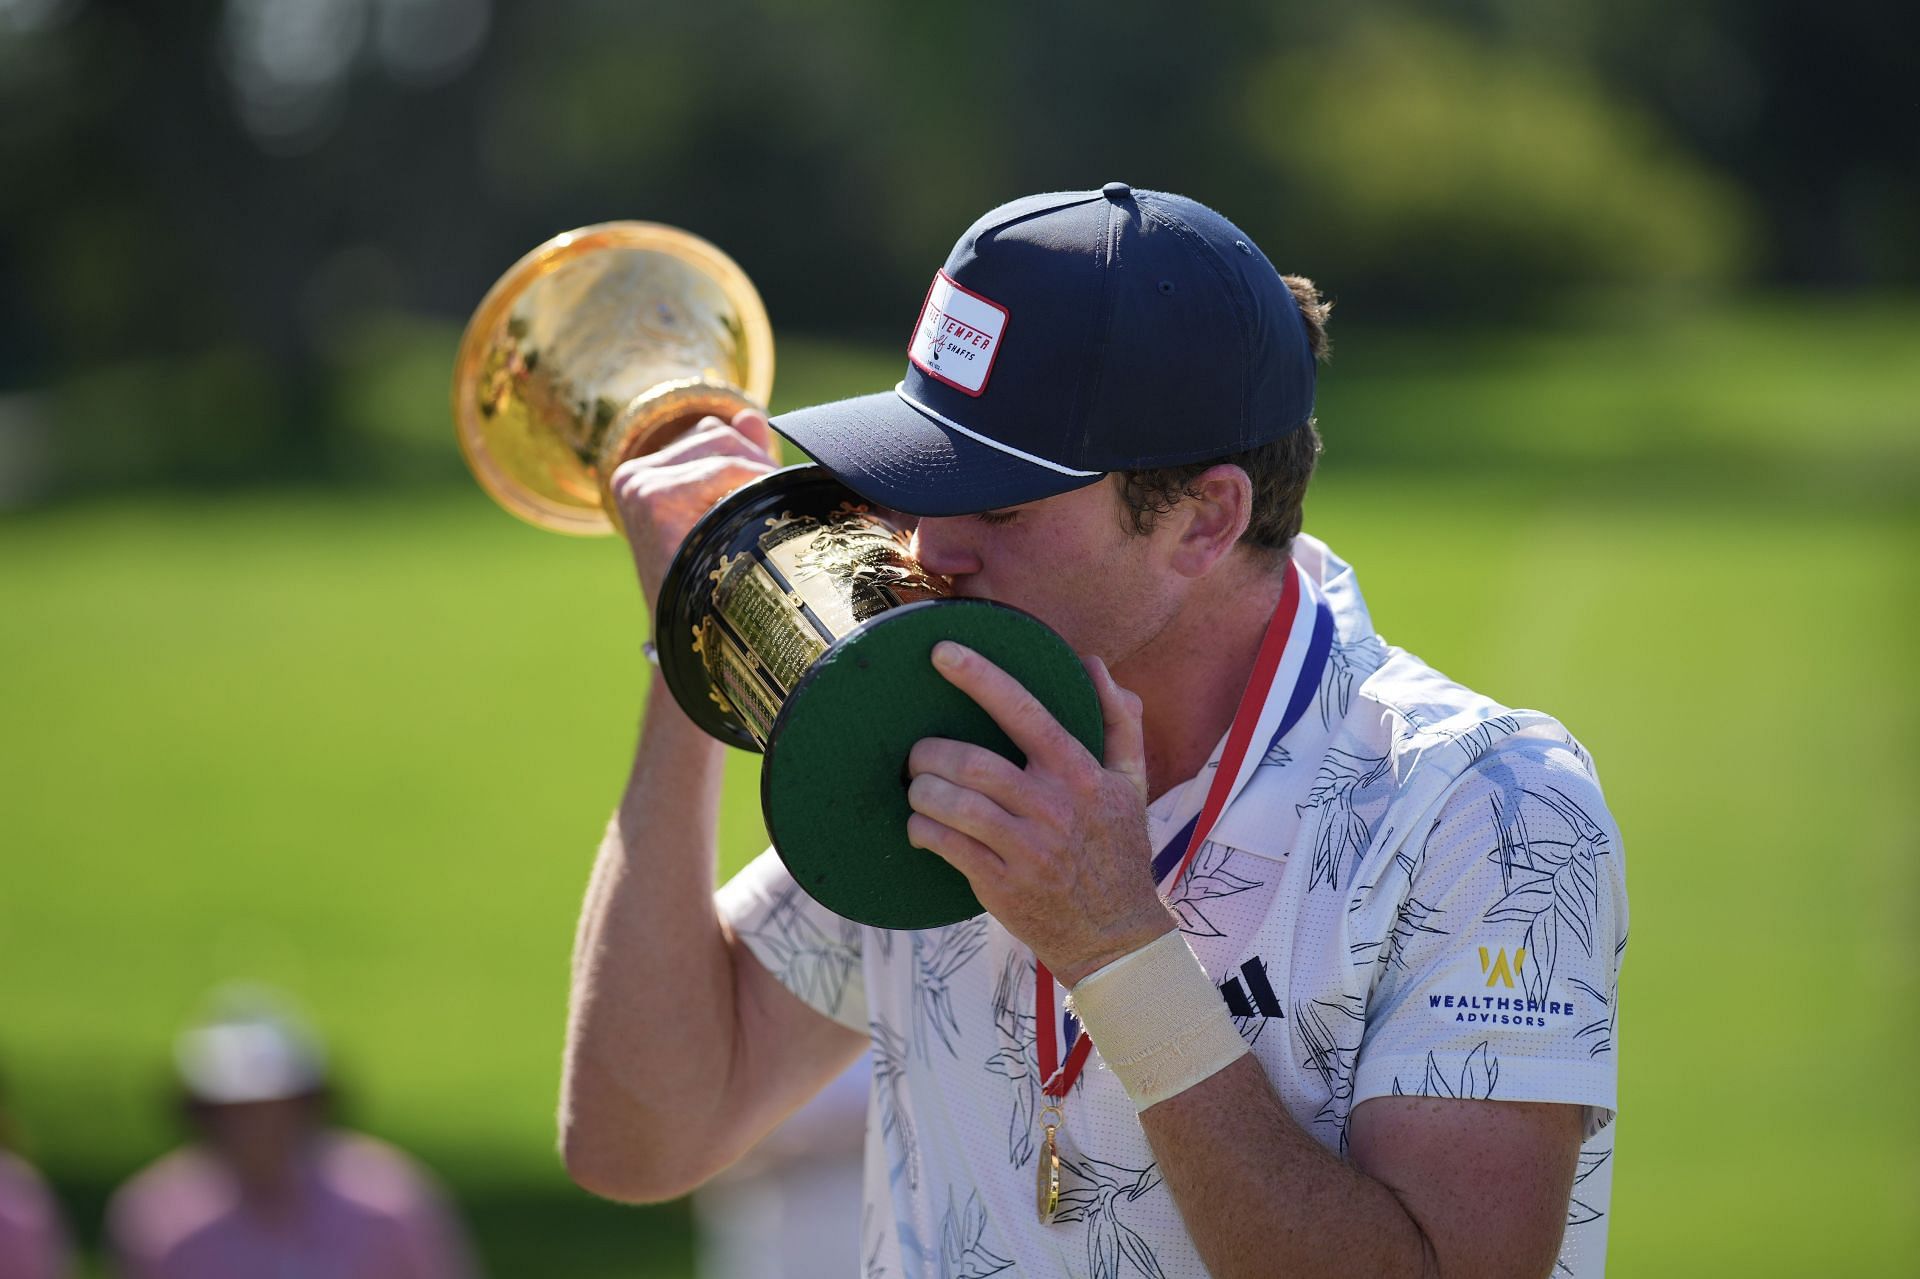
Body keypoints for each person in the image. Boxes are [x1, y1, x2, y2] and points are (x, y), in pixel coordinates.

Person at [562, 184, 1628, 1277]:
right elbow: (638, 1139)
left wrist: (1116, 946)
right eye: (916, 476)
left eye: (1001, 504)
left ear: (1205, 519)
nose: (932, 547)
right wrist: (695, 633)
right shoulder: (947, 714)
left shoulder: (1487, 805)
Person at [106, 989, 478, 1279]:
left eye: (274, 1107)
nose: (258, 1128)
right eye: (236, 1112)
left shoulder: (389, 1204)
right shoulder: (158, 1219)